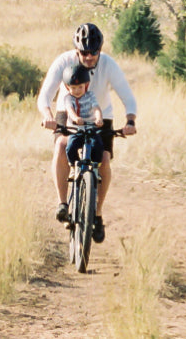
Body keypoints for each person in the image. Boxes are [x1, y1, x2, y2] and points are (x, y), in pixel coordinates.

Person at [38, 23, 137, 244]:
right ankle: (63, 204)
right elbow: (45, 95)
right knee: (62, 146)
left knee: (103, 159)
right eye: (84, 52)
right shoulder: (64, 62)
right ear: (76, 51)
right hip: (68, 112)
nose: (89, 56)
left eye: (94, 52)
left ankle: (97, 213)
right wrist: (47, 116)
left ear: (100, 50)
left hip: (100, 114)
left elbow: (128, 97)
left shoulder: (109, 65)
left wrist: (130, 120)